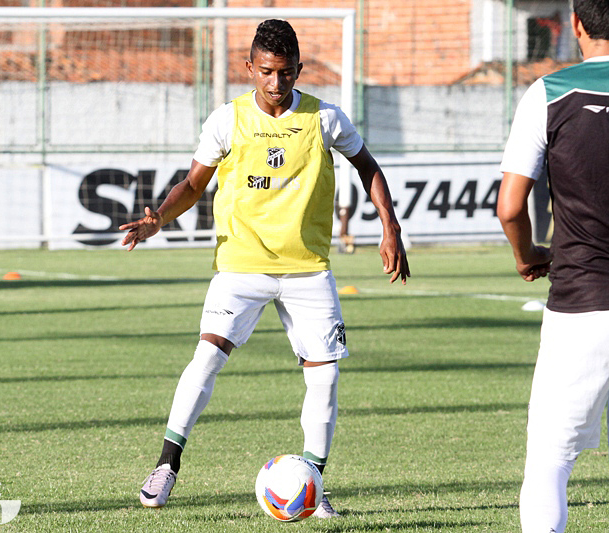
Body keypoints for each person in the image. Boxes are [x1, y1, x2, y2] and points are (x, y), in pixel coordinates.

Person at [121, 19, 409, 517]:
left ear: (300, 69)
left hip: (307, 270)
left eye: (287, 72)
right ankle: (167, 464)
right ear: (249, 67)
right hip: (242, 266)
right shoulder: (227, 120)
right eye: (267, 72)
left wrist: (390, 226)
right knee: (207, 358)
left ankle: (313, 485)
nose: (276, 84)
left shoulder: (324, 119)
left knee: (325, 378)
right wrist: (156, 220)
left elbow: (368, 167)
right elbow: (192, 185)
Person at [497, 1, 609, 531]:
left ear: (575, 25)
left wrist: (528, 257)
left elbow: (509, 206)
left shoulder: (549, 93)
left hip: (583, 303)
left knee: (551, 457)